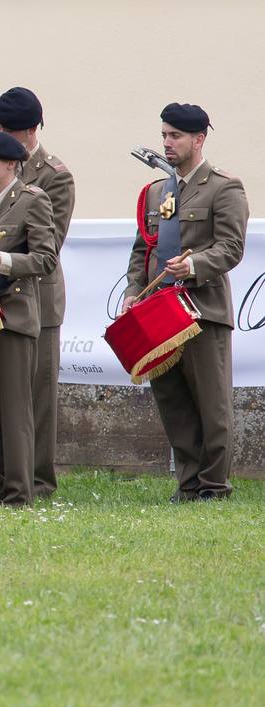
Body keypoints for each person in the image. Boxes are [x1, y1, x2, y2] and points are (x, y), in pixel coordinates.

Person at [127, 102, 249, 502]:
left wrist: (194, 264)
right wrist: (133, 291)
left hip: (202, 310)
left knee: (211, 406)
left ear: (199, 139)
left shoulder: (223, 186)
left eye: (175, 136)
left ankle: (214, 486)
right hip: (159, 311)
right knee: (173, 401)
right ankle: (189, 483)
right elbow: (141, 249)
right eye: (164, 134)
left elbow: (231, 248)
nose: (167, 143)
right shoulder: (157, 192)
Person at [0, 132, 59, 507]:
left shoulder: (32, 201)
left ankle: (19, 492)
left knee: (15, 407)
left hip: (14, 314)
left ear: (10, 164)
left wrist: (5, 261)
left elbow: (45, 258)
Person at [0, 86, 75, 499]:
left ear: (35, 130)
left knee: (38, 395)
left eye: (18, 132)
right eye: (3, 130)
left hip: (38, 297)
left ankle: (39, 482)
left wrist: (0, 258)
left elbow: (48, 243)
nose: (10, 138)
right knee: (6, 394)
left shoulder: (55, 175)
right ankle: (10, 477)